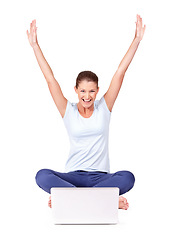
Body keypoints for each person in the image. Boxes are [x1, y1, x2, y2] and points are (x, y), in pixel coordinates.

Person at [27, 15, 146, 210]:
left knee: (127, 177)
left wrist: (136, 40)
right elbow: (50, 79)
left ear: (97, 91)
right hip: (72, 176)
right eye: (83, 91)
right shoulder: (68, 111)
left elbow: (120, 72)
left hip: (102, 177)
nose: (87, 96)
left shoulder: (104, 107)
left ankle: (69, 198)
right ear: (76, 90)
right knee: (42, 175)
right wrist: (35, 46)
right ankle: (103, 200)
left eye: (91, 91)